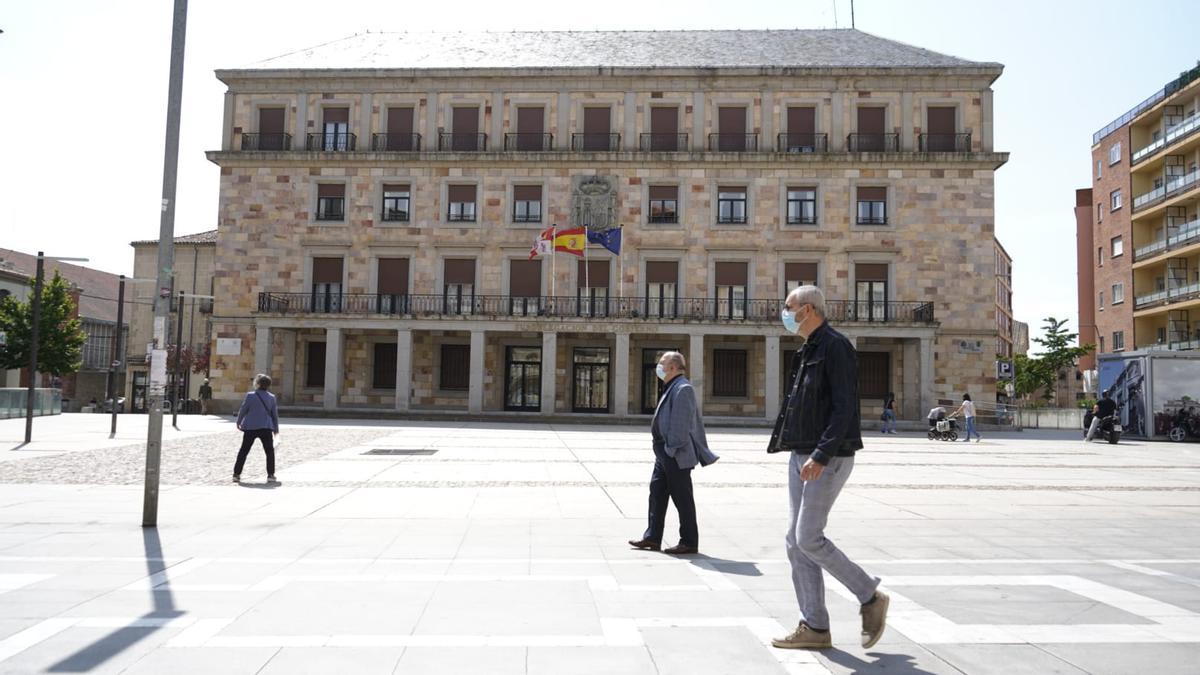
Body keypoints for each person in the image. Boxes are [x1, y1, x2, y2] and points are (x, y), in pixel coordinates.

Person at [768, 285, 889, 650]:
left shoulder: (836, 347)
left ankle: (869, 595)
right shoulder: (806, 349)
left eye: (788, 307)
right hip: (800, 453)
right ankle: (815, 626)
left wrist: (821, 455)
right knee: (795, 542)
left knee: (808, 537)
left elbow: (844, 407)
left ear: (807, 310)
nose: (784, 313)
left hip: (827, 457)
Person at [628, 351, 718, 555]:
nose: (658, 366)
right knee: (657, 494)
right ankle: (652, 537)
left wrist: (670, 449)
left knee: (682, 498)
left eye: (662, 363)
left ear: (673, 367)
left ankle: (689, 541)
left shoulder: (683, 388)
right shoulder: (672, 386)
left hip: (675, 453)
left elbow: (680, 424)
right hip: (664, 453)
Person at [234, 373, 279, 482]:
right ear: (268, 385)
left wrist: (239, 421)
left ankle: (236, 474)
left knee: (244, 451)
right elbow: (274, 415)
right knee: (269, 452)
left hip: (251, 427)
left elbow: (243, 410)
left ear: (258, 383)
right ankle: (270, 475)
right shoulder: (271, 397)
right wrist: (276, 429)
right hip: (266, 427)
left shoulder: (250, 396)